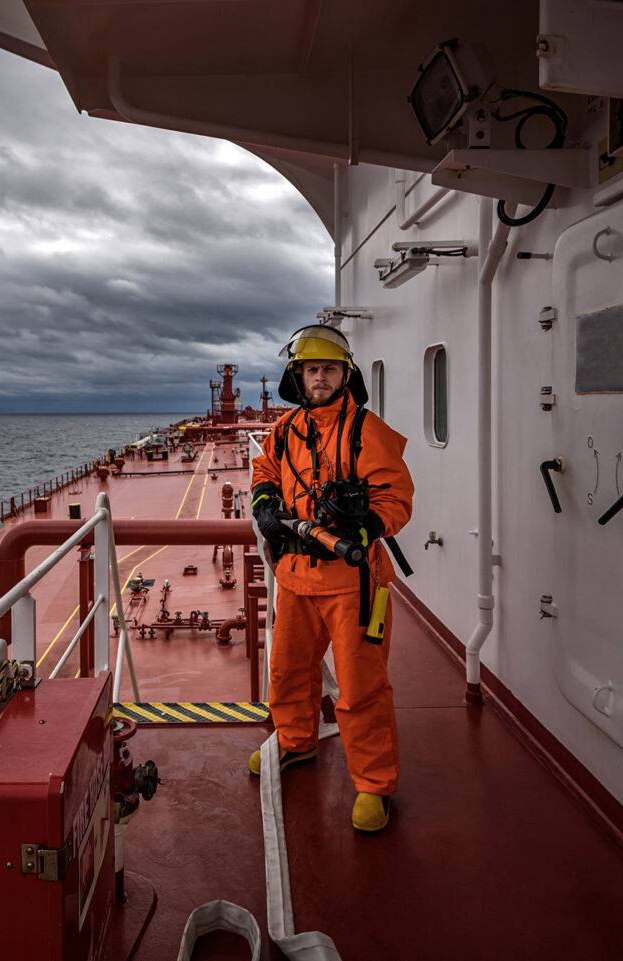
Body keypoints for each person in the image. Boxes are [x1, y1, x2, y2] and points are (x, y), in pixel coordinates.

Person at [248, 323, 414, 833]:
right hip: (295, 576)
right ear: (297, 377)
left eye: (328, 369)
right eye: (311, 370)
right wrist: (265, 504)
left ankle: (374, 784)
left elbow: (396, 498)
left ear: (345, 375)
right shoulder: (283, 431)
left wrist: (365, 526)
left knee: (361, 685)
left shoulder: (368, 430)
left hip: (353, 581)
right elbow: (263, 472)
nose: (319, 378)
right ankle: (295, 741)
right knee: (288, 671)